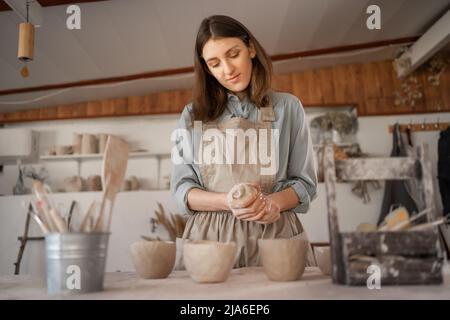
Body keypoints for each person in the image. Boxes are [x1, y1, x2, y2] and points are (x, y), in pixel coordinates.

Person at [170, 15, 317, 267]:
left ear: (250, 49)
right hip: (210, 240)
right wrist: (227, 201)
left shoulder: (289, 108)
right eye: (215, 63)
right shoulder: (190, 116)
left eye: (233, 54)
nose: (227, 70)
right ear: (207, 68)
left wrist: (272, 203)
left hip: (275, 234)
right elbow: (182, 190)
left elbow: (305, 184)